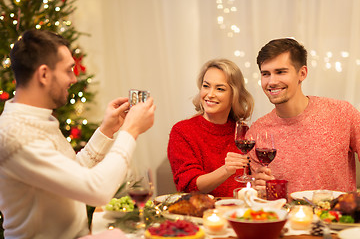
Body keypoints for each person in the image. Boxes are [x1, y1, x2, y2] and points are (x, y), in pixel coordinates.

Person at [0, 29, 155, 239]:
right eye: (68, 70)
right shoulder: (15, 135)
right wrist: (131, 130)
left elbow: (72, 174)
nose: (74, 79)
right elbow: (96, 191)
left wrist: (107, 130)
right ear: (44, 74)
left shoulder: (38, 120)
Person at [249, 38, 360, 194]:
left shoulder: (342, 113)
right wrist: (260, 188)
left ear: (302, 73)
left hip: (337, 216)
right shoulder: (257, 132)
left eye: (280, 72)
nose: (272, 81)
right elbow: (262, 196)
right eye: (265, 74)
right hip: (286, 217)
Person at [167, 58, 254, 197]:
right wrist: (225, 170)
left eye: (220, 89)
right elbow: (189, 186)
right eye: (206, 86)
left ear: (234, 95)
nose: (210, 94)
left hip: (239, 213)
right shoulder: (182, 131)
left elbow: (249, 184)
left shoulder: (243, 133)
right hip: (202, 215)